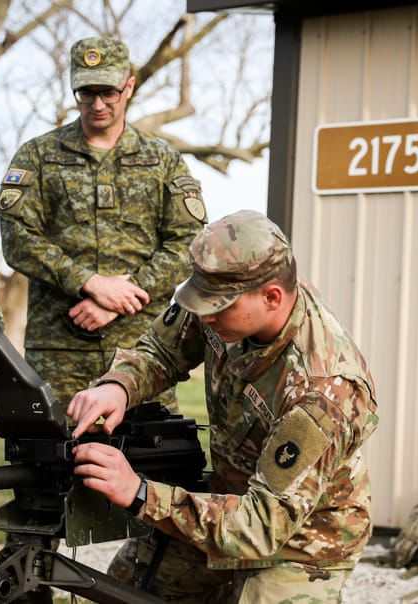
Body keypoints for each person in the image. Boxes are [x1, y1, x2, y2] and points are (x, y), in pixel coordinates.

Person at [67, 210, 380, 603]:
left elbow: (263, 526)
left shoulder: (322, 391)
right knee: (124, 592)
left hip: (301, 540)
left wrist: (140, 493)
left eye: (218, 306)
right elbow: (163, 349)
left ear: (272, 297)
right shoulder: (223, 299)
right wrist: (119, 386)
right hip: (226, 502)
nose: (205, 315)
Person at [0, 36, 206, 409]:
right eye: (86, 92)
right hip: (59, 351)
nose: (97, 104)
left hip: (141, 351)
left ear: (129, 84)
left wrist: (121, 298)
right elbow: (17, 239)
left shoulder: (162, 160)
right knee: (53, 458)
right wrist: (88, 282)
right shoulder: (39, 155)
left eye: (108, 91)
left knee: (146, 459)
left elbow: (189, 243)